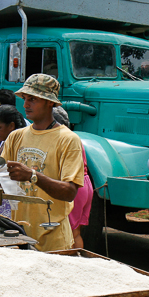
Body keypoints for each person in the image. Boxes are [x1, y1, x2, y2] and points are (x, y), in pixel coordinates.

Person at [0, 73, 84, 297]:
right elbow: (0, 179)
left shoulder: (68, 140)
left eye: (33, 99)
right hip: (19, 237)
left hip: (53, 239)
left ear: (49, 103)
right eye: (25, 98)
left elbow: (69, 191)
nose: (27, 103)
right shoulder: (17, 137)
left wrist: (33, 176)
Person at [52, 107, 93, 250]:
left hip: (74, 186)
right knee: (75, 232)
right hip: (85, 184)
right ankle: (78, 260)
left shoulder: (62, 138)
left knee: (68, 232)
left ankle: (73, 261)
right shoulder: (72, 137)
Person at [0, 104, 26, 217]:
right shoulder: (4, 143)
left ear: (11, 126)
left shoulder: (19, 147)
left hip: (11, 208)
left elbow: (0, 183)